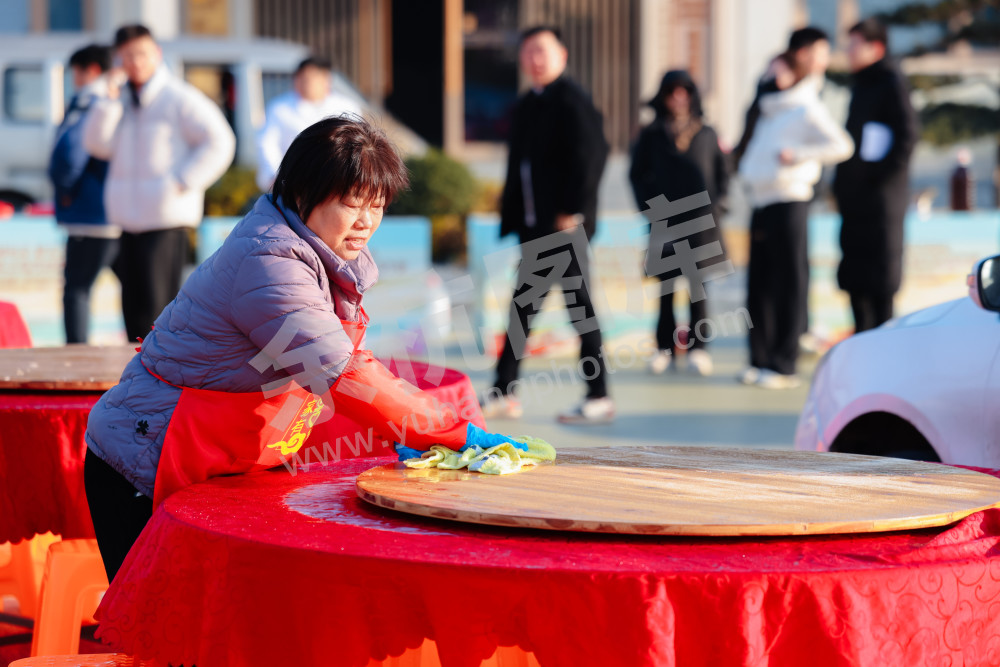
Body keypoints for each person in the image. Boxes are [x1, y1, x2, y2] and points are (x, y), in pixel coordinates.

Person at [83, 117, 524, 582]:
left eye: (377, 205)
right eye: (352, 203)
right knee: (162, 638)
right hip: (142, 461)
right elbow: (345, 372)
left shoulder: (324, 253)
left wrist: (401, 430)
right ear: (301, 193)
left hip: (217, 457)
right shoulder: (268, 261)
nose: (366, 222)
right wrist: (452, 433)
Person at [484, 25, 611, 424]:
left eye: (542, 50)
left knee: (579, 309)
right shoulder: (528, 104)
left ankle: (599, 395)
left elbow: (593, 156)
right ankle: (504, 391)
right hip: (534, 226)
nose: (535, 59)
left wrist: (573, 209)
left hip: (563, 226)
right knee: (522, 309)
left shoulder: (572, 101)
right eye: (528, 52)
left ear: (562, 54)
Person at [84, 24, 236, 344]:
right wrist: (108, 101)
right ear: (117, 60)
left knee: (158, 308)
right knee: (131, 310)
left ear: (157, 54)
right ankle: (137, 380)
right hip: (128, 219)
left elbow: (221, 140)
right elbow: (97, 145)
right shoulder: (120, 99)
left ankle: (162, 382)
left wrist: (182, 181)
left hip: (166, 219)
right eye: (126, 56)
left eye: (141, 54)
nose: (134, 62)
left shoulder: (178, 97)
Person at [738, 27, 854, 389]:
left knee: (789, 283)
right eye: (771, 69)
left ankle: (785, 363)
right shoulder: (768, 108)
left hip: (791, 200)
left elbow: (842, 145)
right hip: (761, 200)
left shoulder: (807, 106)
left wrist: (799, 156)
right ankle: (760, 359)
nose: (774, 75)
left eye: (781, 68)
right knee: (759, 284)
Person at [629, 70, 729, 377]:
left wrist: (719, 203)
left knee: (699, 288)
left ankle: (699, 348)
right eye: (672, 90)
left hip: (702, 221)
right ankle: (664, 348)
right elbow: (636, 174)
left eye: (685, 90)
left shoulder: (707, 132)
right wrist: (650, 208)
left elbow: (723, 172)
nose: (678, 97)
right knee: (666, 288)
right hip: (665, 221)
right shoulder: (652, 134)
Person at [834, 18, 919, 334]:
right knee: (855, 279)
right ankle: (862, 344)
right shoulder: (862, 84)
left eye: (855, 44)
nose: (849, 51)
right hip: (856, 200)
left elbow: (907, 136)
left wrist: (877, 178)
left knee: (880, 282)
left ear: (876, 47)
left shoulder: (890, 81)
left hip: (881, 202)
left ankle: (881, 349)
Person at [48, 44, 119, 344]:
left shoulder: (90, 102)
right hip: (118, 213)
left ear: (89, 70)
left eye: (75, 72)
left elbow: (70, 152)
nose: (73, 79)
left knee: (76, 290)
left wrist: (64, 187)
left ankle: (74, 357)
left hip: (90, 213)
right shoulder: (119, 100)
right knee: (139, 290)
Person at [255, 56, 364, 192]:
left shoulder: (347, 107)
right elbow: (267, 144)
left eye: (310, 78)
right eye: (301, 78)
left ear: (326, 79)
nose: (304, 83)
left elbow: (357, 144)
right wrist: (277, 175)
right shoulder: (279, 108)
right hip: (290, 183)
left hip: (336, 182)